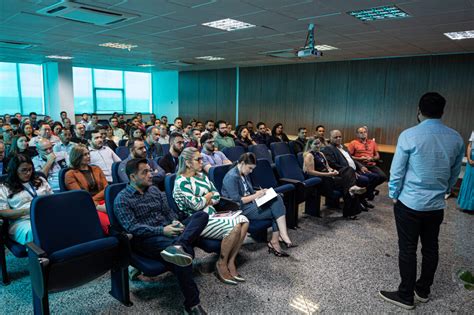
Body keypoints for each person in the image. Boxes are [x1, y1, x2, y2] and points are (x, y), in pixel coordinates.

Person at [380, 92, 465, 310]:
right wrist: (444, 191)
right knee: (431, 248)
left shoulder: (409, 135)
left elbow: (397, 170)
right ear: (442, 112)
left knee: (407, 249)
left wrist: (393, 194)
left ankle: (405, 295)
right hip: (436, 205)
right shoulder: (456, 137)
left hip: (410, 203)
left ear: (419, 111)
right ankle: (423, 290)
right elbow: (455, 172)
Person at [114, 158, 208, 314]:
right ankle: (192, 304)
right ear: (132, 177)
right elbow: (132, 228)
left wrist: (175, 222)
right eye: (145, 172)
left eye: (150, 171)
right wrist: (162, 230)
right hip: (148, 239)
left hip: (170, 231)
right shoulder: (122, 199)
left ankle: (179, 245)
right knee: (182, 259)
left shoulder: (154, 190)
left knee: (201, 216)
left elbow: (168, 211)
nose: (150, 175)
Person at [173, 147, 249, 284]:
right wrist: (207, 196)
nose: (202, 161)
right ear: (188, 163)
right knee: (235, 227)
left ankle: (231, 261)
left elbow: (217, 196)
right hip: (197, 222)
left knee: (245, 220)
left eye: (202, 158)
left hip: (212, 215)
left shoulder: (202, 176)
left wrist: (205, 198)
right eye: (198, 159)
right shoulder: (181, 182)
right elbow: (195, 206)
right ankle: (221, 263)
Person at [222, 153, 296, 257]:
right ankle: (279, 237)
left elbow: (250, 191)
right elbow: (237, 201)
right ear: (242, 163)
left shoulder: (243, 173)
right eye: (250, 168)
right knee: (278, 209)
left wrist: (261, 193)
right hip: (240, 209)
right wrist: (256, 195)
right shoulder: (231, 177)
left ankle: (277, 239)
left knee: (277, 198)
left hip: (251, 204)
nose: (251, 171)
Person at [303, 138, 365, 219]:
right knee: (348, 186)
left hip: (329, 176)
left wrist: (333, 170)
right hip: (320, 179)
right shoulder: (309, 155)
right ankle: (350, 212)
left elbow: (328, 167)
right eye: (315, 144)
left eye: (319, 143)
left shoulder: (321, 153)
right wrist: (328, 174)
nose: (318, 145)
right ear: (310, 145)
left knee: (349, 172)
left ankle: (352, 189)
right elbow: (310, 172)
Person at [0, 154, 53, 244]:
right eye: (24, 170)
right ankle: (40, 256)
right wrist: (27, 211)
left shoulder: (40, 180)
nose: (28, 173)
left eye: (30, 169)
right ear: (15, 171)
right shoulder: (4, 187)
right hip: (22, 221)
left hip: (46, 215)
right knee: (35, 231)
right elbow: (3, 211)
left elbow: (52, 199)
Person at [323, 130, 379, 210]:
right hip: (345, 173)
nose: (338, 138)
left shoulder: (343, 146)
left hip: (355, 170)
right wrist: (351, 172)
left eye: (340, 137)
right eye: (336, 137)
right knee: (365, 180)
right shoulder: (328, 149)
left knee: (374, 177)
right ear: (330, 138)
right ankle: (359, 202)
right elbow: (333, 165)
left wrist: (360, 166)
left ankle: (362, 200)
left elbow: (351, 159)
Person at [65, 144, 110, 233]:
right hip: (87, 205)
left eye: (88, 153)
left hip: (102, 201)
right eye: (85, 155)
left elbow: (107, 188)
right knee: (109, 224)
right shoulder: (70, 174)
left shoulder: (96, 169)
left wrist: (96, 203)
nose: (88, 156)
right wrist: (96, 205)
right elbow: (81, 196)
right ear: (77, 157)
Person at [347, 126, 387, 199]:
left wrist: (372, 159)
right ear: (357, 134)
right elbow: (348, 156)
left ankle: (369, 190)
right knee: (373, 177)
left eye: (365, 132)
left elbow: (377, 156)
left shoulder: (372, 142)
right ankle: (368, 192)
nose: (363, 134)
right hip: (360, 165)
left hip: (371, 164)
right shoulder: (353, 143)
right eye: (361, 133)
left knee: (383, 177)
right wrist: (360, 158)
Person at [457, 131, 474, 213]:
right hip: (471, 160)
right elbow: (470, 145)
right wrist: (469, 159)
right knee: (468, 181)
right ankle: (466, 205)